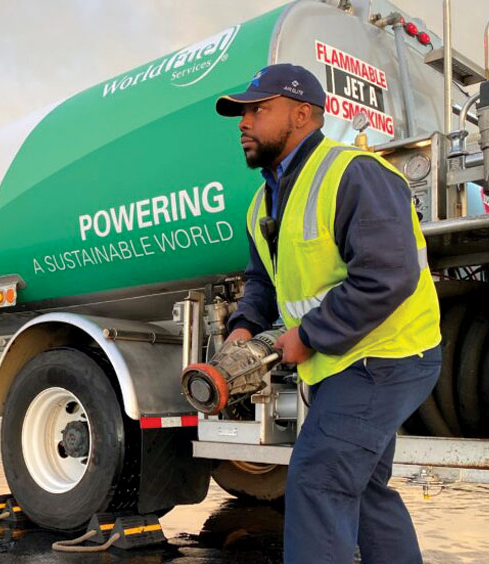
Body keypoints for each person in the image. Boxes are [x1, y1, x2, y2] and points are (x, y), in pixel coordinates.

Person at [215, 63, 442, 564]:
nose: (243, 123)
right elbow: (263, 281)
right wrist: (244, 326)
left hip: (387, 355)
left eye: (258, 110)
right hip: (343, 361)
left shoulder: (354, 173)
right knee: (362, 488)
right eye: (242, 114)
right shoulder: (262, 203)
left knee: (318, 479)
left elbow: (387, 276)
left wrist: (308, 335)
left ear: (302, 114)